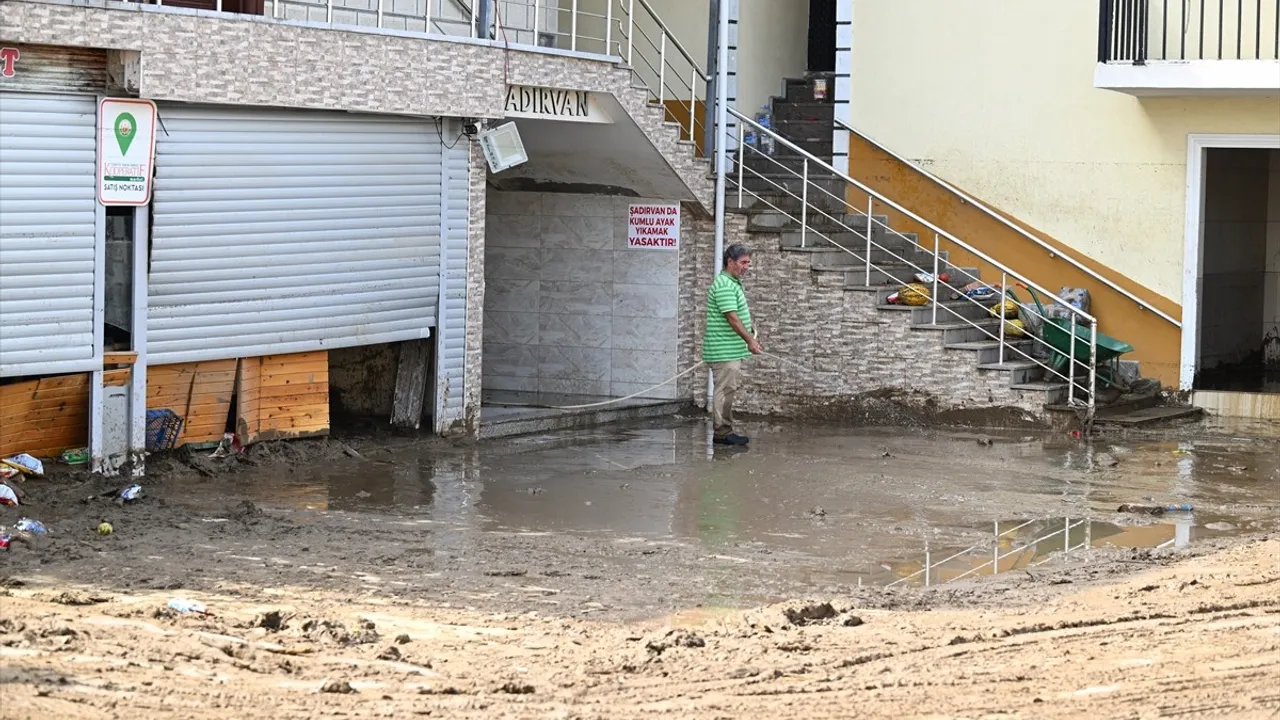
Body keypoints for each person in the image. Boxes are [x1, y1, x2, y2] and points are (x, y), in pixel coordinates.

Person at [703, 243, 761, 446]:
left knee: (729, 389)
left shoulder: (731, 282)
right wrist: (750, 341)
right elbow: (732, 318)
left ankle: (724, 429)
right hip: (723, 350)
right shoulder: (724, 285)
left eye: (748, 263)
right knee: (725, 390)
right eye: (743, 263)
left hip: (729, 349)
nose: (746, 267)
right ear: (730, 262)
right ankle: (722, 432)